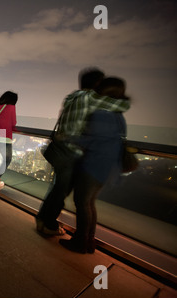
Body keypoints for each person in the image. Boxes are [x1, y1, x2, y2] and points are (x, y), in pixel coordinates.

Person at [36, 68, 130, 236]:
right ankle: (48, 224)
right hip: (71, 152)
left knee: (58, 188)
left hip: (59, 149)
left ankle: (43, 219)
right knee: (62, 191)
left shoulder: (71, 97)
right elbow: (122, 105)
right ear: (96, 84)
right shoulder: (90, 98)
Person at [59, 77, 129, 253]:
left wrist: (67, 137)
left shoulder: (101, 113)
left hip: (93, 165)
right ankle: (89, 242)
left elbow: (91, 141)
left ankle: (80, 242)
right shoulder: (119, 115)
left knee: (82, 202)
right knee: (90, 203)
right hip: (108, 167)